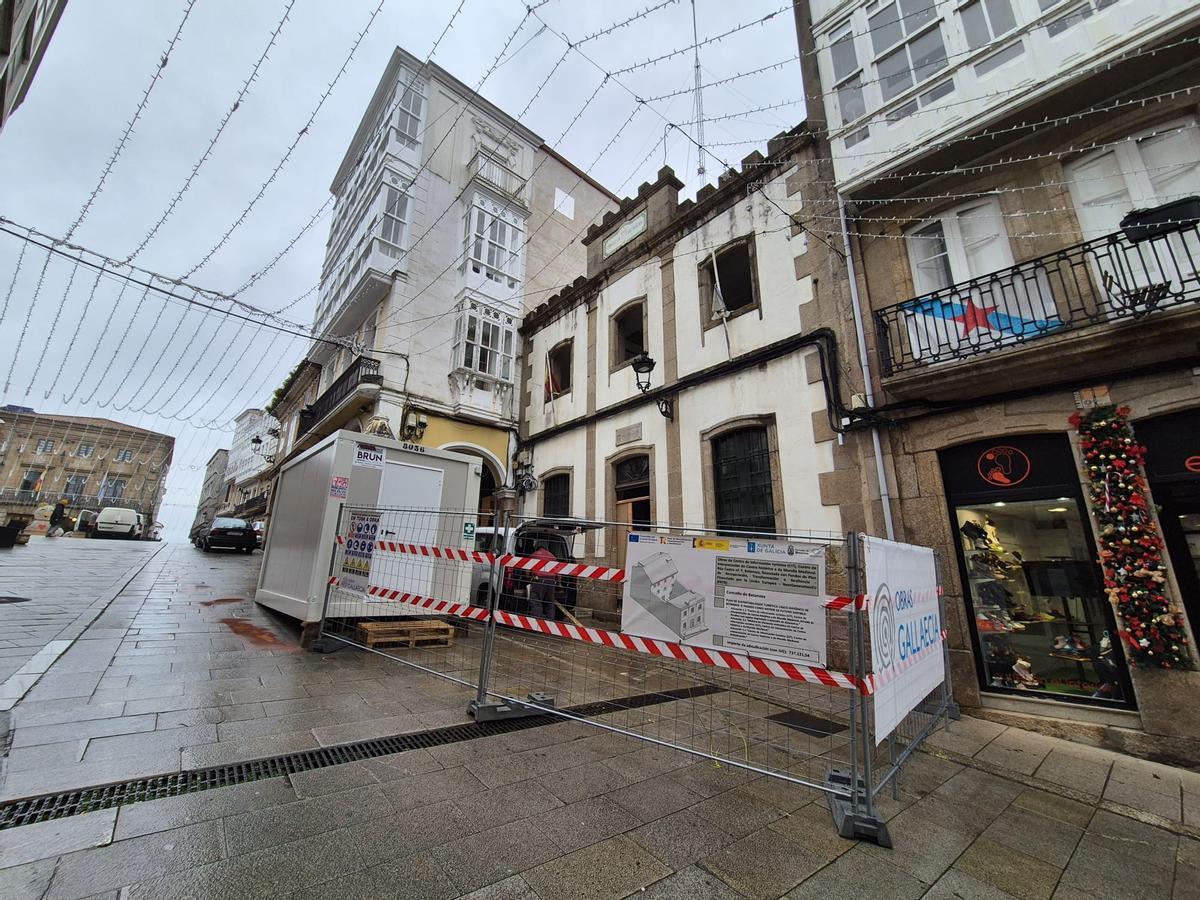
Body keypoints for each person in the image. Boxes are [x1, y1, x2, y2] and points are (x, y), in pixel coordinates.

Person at [526, 542, 559, 620]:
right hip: (551, 581)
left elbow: (527, 570)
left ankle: (536, 624)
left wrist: (528, 578)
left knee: (536, 601)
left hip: (539, 580)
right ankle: (550, 623)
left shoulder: (534, 555)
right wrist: (558, 583)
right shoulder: (552, 556)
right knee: (550, 603)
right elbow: (558, 571)